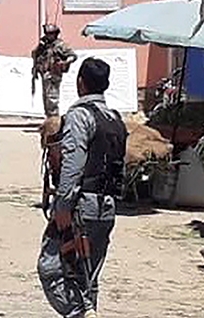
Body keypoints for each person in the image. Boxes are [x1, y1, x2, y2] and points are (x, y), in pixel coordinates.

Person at [37, 58, 126, 318]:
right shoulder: (114, 118)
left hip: (80, 208)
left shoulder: (80, 116)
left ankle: (79, 313)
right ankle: (87, 309)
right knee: (88, 276)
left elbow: (73, 165)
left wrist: (63, 206)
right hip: (106, 207)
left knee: (52, 268)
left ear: (80, 83)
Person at [32, 25, 78, 117]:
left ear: (55, 34)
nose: (47, 35)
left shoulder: (60, 45)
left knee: (52, 97)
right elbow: (35, 55)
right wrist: (40, 47)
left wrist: (64, 62)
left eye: (50, 34)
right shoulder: (44, 46)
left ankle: (54, 118)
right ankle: (49, 117)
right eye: (46, 33)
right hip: (44, 74)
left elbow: (73, 56)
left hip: (54, 73)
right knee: (45, 97)